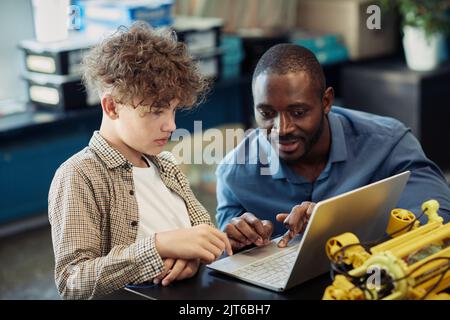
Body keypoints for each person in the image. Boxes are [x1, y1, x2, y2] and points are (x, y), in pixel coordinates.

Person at [48, 22, 232, 300]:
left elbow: (201, 237)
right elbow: (73, 282)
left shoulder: (167, 165)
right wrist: (158, 246)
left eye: (173, 110)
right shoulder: (79, 175)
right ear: (111, 106)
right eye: (156, 111)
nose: (170, 125)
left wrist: (198, 254)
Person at [216, 43, 450, 251]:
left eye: (298, 112)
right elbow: (226, 244)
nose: (282, 128)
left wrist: (337, 223)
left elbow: (438, 219)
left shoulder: (389, 143)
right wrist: (238, 237)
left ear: (326, 102)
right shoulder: (234, 173)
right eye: (266, 114)